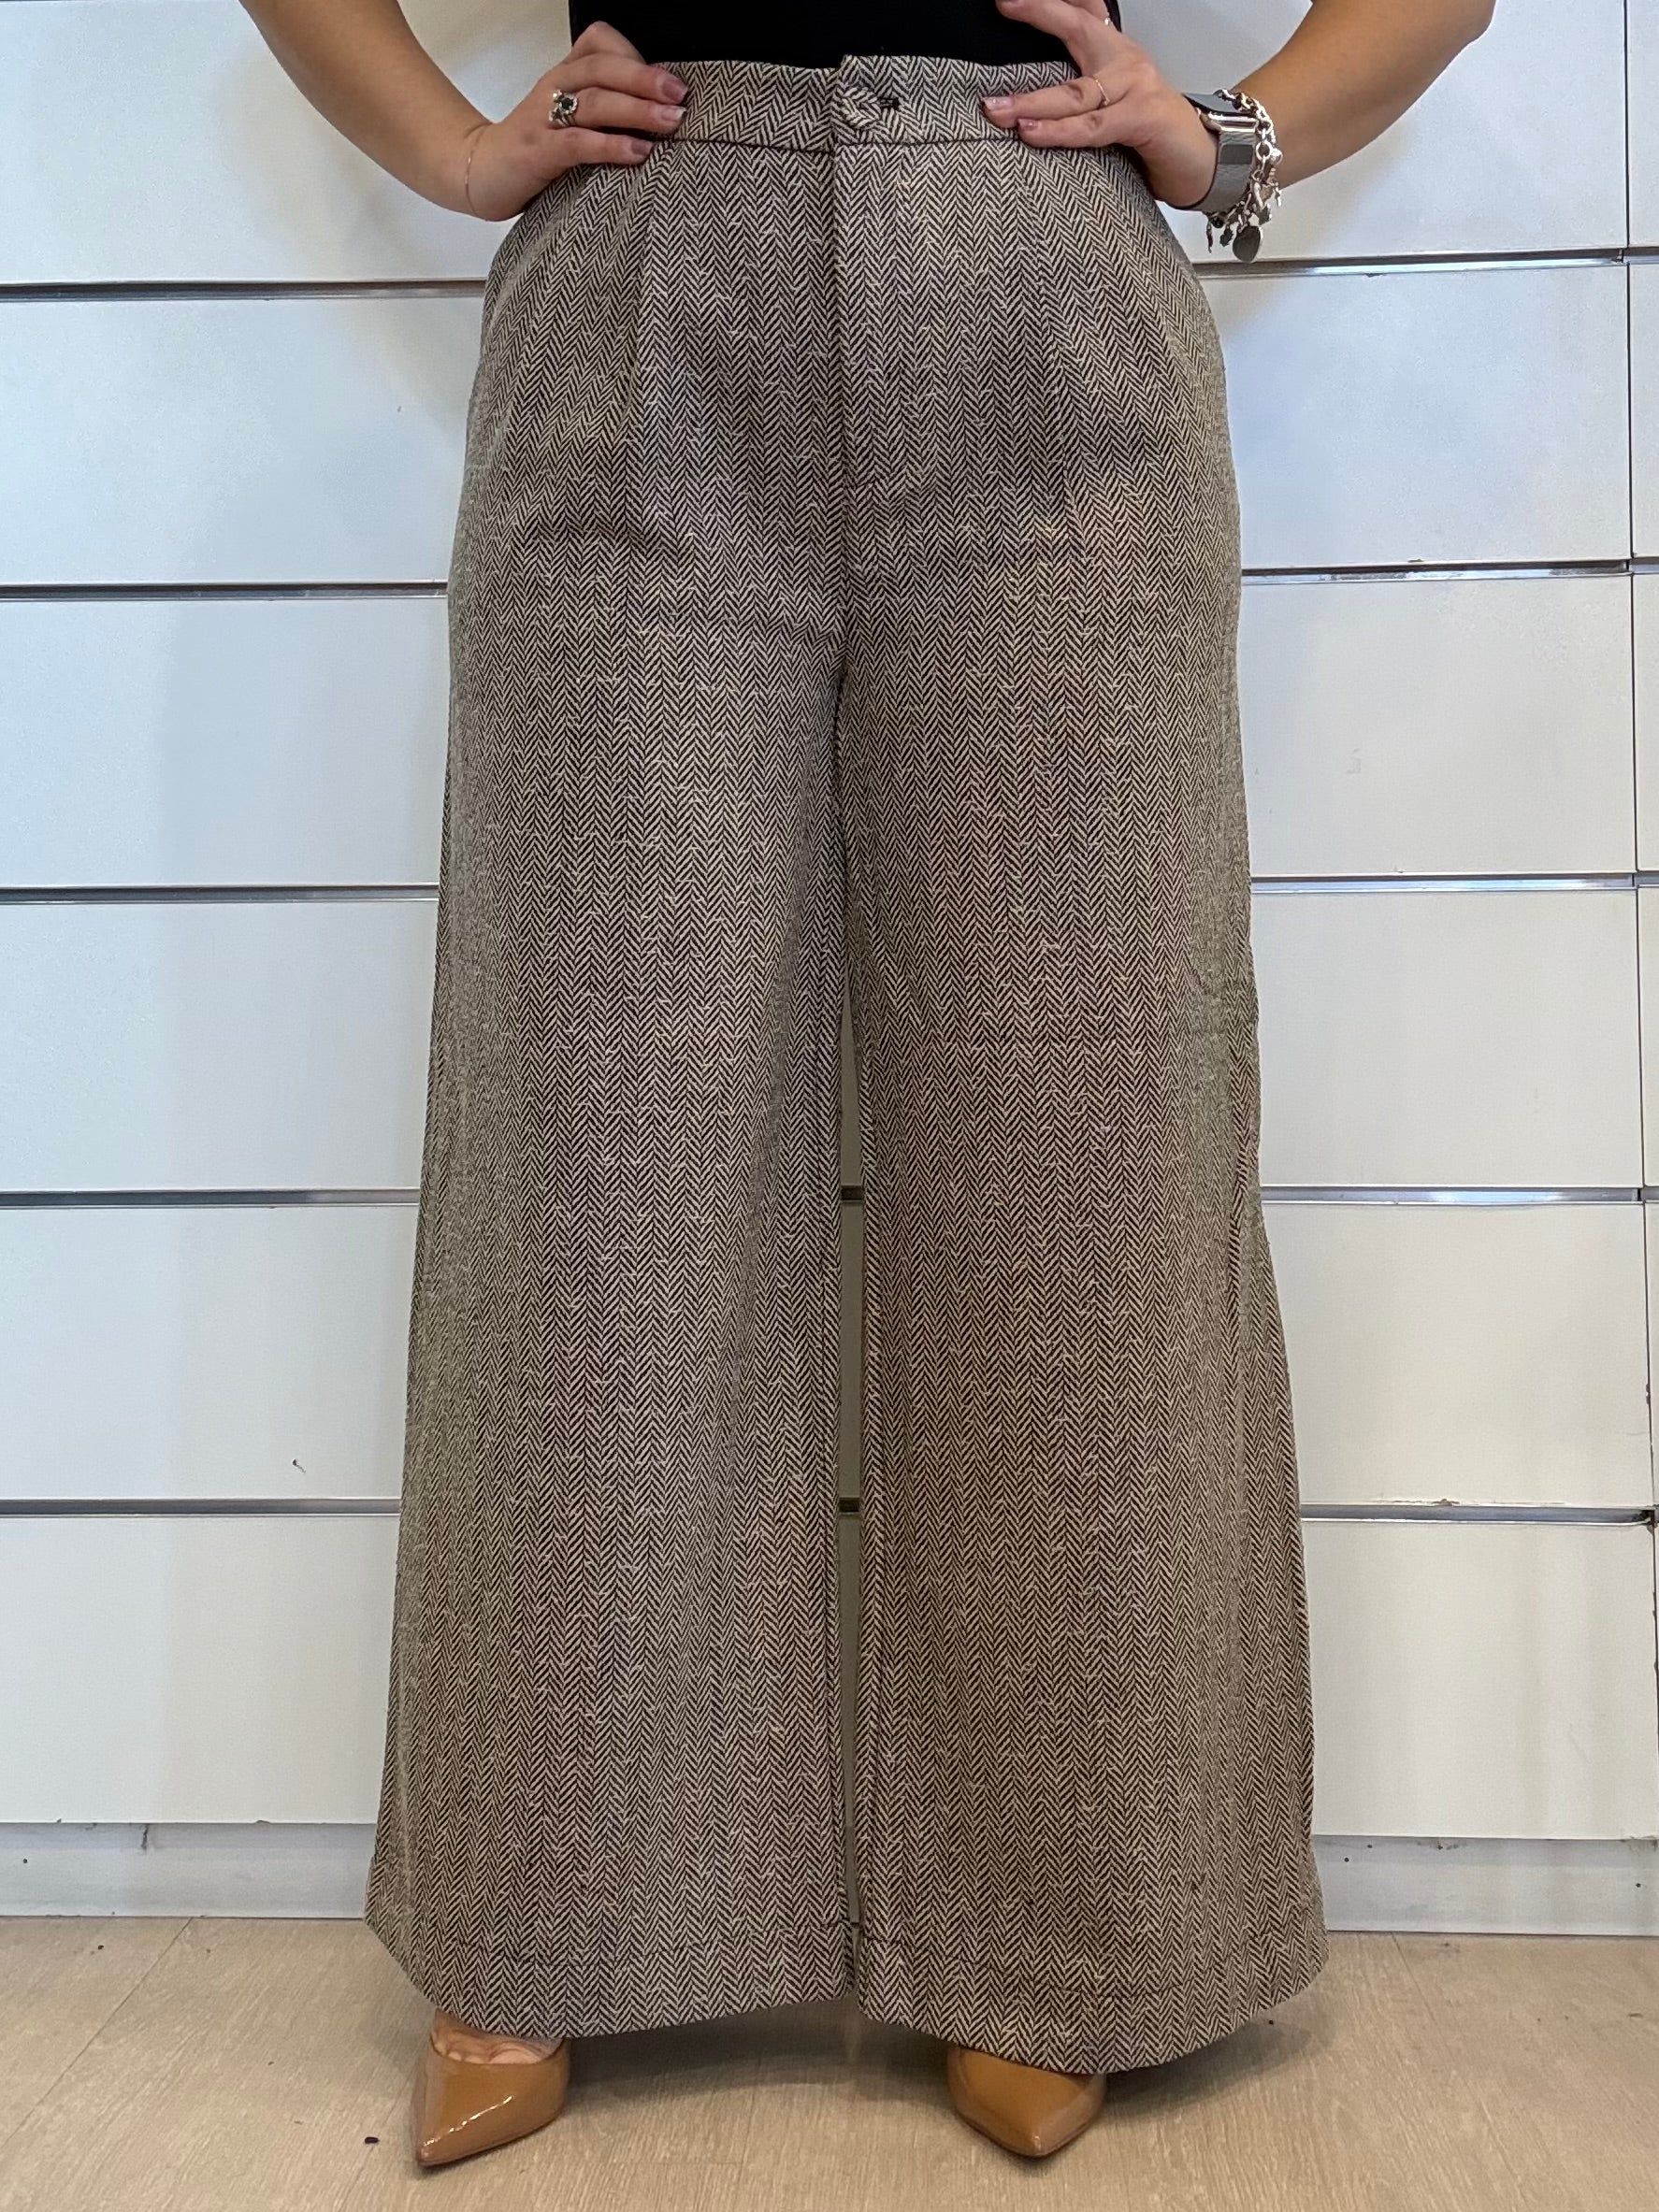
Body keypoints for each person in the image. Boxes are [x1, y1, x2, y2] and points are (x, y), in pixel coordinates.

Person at [240, 0, 1493, 2167]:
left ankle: (1071, 1931)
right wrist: (450, 153)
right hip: (643, 287)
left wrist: (1224, 136)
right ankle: (544, 1909)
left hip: (1039, 297)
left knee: (1086, 1147)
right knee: (593, 1139)